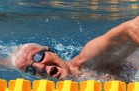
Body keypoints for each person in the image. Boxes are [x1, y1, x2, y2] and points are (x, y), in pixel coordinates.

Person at [9, 16, 139, 81]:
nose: (39, 67)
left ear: (51, 51)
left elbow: (131, 29)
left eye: (38, 56)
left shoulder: (89, 62)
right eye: (30, 70)